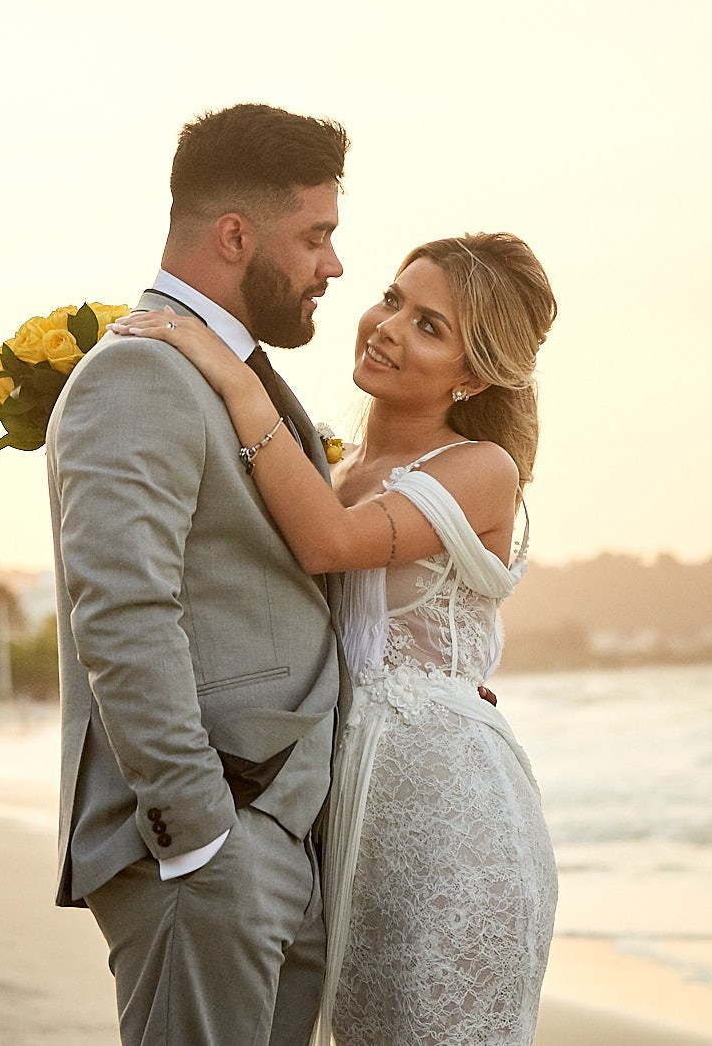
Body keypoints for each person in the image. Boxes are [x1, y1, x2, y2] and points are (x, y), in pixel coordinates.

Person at [115, 230, 560, 1045]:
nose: (388, 326)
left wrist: (232, 371)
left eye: (430, 325)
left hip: (443, 804)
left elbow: (332, 544)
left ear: (474, 375)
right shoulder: (329, 466)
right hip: (331, 794)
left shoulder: (481, 466)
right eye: (394, 299)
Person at [47, 104, 350, 1046]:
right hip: (210, 843)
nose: (332, 266)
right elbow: (124, 610)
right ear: (234, 235)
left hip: (272, 836)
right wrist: (202, 836)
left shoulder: (222, 372)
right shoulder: (136, 376)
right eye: (316, 236)